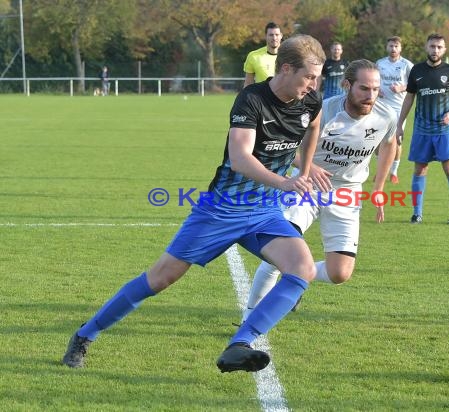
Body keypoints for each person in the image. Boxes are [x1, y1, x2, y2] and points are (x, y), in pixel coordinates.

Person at [62, 34, 327, 373]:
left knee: (301, 269)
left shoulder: (311, 101)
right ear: (286, 68)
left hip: (264, 212)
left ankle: (240, 344)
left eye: (317, 77)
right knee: (160, 278)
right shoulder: (251, 100)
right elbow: (240, 158)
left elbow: (312, 129)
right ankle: (85, 334)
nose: (313, 84)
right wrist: (287, 181)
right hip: (222, 209)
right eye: (309, 76)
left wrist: (304, 172)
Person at [241, 59, 397, 323]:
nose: (371, 96)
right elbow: (284, 149)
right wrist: (310, 167)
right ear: (346, 85)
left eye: (375, 89)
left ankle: (298, 276)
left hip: (347, 191)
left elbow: (390, 145)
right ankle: (249, 318)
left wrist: (379, 187)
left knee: (340, 273)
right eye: (363, 89)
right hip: (306, 184)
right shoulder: (320, 112)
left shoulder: (386, 116)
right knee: (279, 252)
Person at [396, 33, 449, 225]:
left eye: (439, 47)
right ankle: (416, 213)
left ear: (444, 50)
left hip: (444, 130)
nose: (435, 50)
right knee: (419, 169)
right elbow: (409, 98)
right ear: (426, 48)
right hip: (422, 129)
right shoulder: (417, 71)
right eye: (432, 46)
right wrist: (400, 124)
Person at [375, 36, 413, 184]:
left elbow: (414, 84)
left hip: (399, 108)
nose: (393, 49)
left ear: (400, 48)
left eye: (396, 46)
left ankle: (394, 172)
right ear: (387, 47)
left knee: (396, 141)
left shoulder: (407, 65)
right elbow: (374, 79)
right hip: (381, 106)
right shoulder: (380, 63)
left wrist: (401, 88)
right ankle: (380, 171)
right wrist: (377, 90)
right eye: (391, 46)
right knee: (377, 140)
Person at [243, 22, 283, 88]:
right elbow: (248, 83)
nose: (274, 38)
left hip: (282, 98)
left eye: (277, 35)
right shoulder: (254, 56)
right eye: (271, 35)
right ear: (265, 36)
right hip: (261, 97)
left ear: (281, 36)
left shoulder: (289, 55)